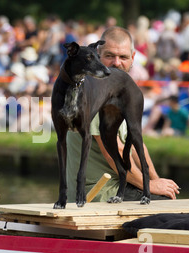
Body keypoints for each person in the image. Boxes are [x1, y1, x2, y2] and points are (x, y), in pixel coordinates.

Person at [66, 27, 180, 203]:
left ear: (133, 58)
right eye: (110, 56)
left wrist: (157, 181)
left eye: (123, 57)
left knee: (167, 197)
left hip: (116, 185)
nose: (117, 62)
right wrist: (150, 185)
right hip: (97, 192)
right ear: (97, 55)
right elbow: (114, 151)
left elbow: (135, 145)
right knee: (163, 203)